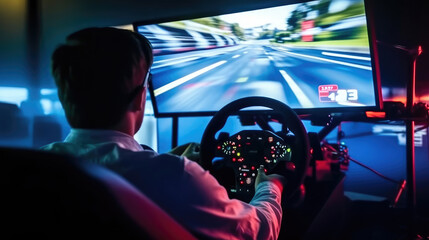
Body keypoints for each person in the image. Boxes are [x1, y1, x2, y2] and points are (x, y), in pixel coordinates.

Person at [42, 27, 285, 240]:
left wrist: (171, 159)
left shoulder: (36, 166)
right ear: (140, 97)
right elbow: (256, 232)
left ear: (65, 97)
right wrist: (270, 186)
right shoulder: (178, 176)